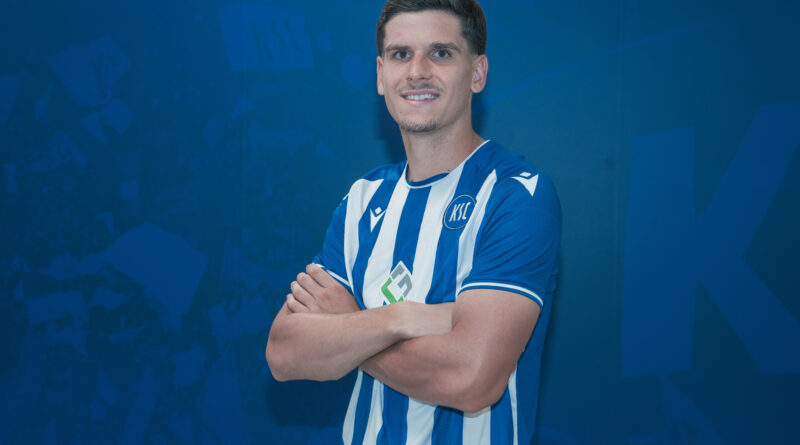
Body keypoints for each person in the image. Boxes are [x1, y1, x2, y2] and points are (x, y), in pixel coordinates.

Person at [265, 0, 561, 443]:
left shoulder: (515, 194)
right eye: (401, 54)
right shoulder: (363, 199)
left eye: (441, 53)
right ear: (380, 75)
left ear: (477, 73)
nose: (417, 71)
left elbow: (471, 378)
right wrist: (399, 319)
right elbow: (284, 352)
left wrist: (349, 331)